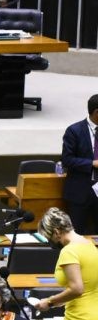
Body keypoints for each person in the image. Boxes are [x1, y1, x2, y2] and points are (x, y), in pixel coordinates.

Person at [34, 207, 98, 320]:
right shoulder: (90, 244)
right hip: (95, 315)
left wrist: (49, 301)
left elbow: (77, 289)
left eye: (49, 237)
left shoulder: (69, 251)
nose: (50, 242)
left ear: (57, 232)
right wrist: (59, 301)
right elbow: (87, 286)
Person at [61, 94, 98, 234]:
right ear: (96, 112)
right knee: (77, 233)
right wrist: (92, 163)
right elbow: (67, 159)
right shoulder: (74, 131)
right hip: (80, 192)